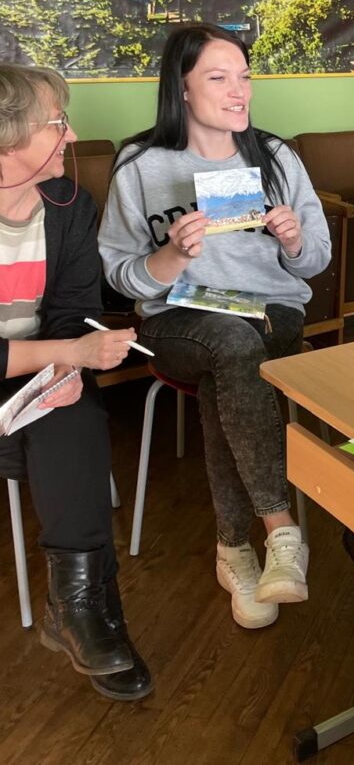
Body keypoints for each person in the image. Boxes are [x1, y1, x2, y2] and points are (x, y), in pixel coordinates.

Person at [99, 23, 332, 630]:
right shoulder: (140, 165)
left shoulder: (275, 157)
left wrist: (294, 241)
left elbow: (316, 261)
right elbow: (122, 276)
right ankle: (282, 529)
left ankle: (234, 549)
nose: (239, 92)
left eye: (245, 77)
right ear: (181, 89)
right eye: (219, 77)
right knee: (231, 348)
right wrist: (172, 256)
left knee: (231, 362)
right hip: (177, 318)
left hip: (270, 311)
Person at [0, 64, 151, 700]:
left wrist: (66, 366)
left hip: (35, 363)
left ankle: (79, 609)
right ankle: (91, 613)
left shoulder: (68, 206)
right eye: (57, 123)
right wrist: (69, 352)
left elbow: (72, 310)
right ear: (8, 138)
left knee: (73, 415)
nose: (72, 136)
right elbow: (70, 337)